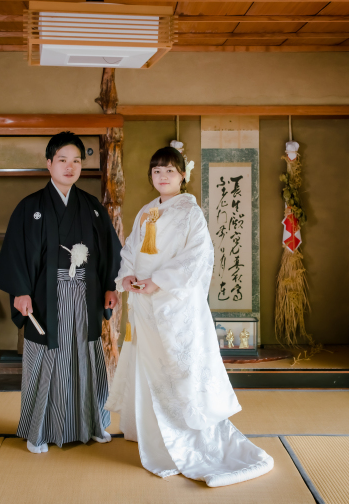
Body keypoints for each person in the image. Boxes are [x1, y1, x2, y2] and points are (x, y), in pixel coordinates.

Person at [105, 146, 273, 487]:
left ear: (183, 175)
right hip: (144, 304)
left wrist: (159, 281)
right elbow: (130, 250)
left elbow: (196, 258)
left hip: (174, 307)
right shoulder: (145, 213)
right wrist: (126, 276)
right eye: (156, 171)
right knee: (149, 367)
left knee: (180, 369)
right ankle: (152, 434)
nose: (162, 176)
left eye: (169, 170)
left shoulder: (190, 213)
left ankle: (184, 439)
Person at [0, 131, 122, 453]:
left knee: (87, 361)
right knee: (47, 360)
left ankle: (92, 424)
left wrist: (109, 287)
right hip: (45, 300)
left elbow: (110, 252)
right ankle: (39, 432)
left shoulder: (91, 207)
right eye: (62, 160)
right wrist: (21, 291)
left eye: (76, 161)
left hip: (85, 298)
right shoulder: (30, 207)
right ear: (49, 164)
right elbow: (16, 253)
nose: (70, 167)